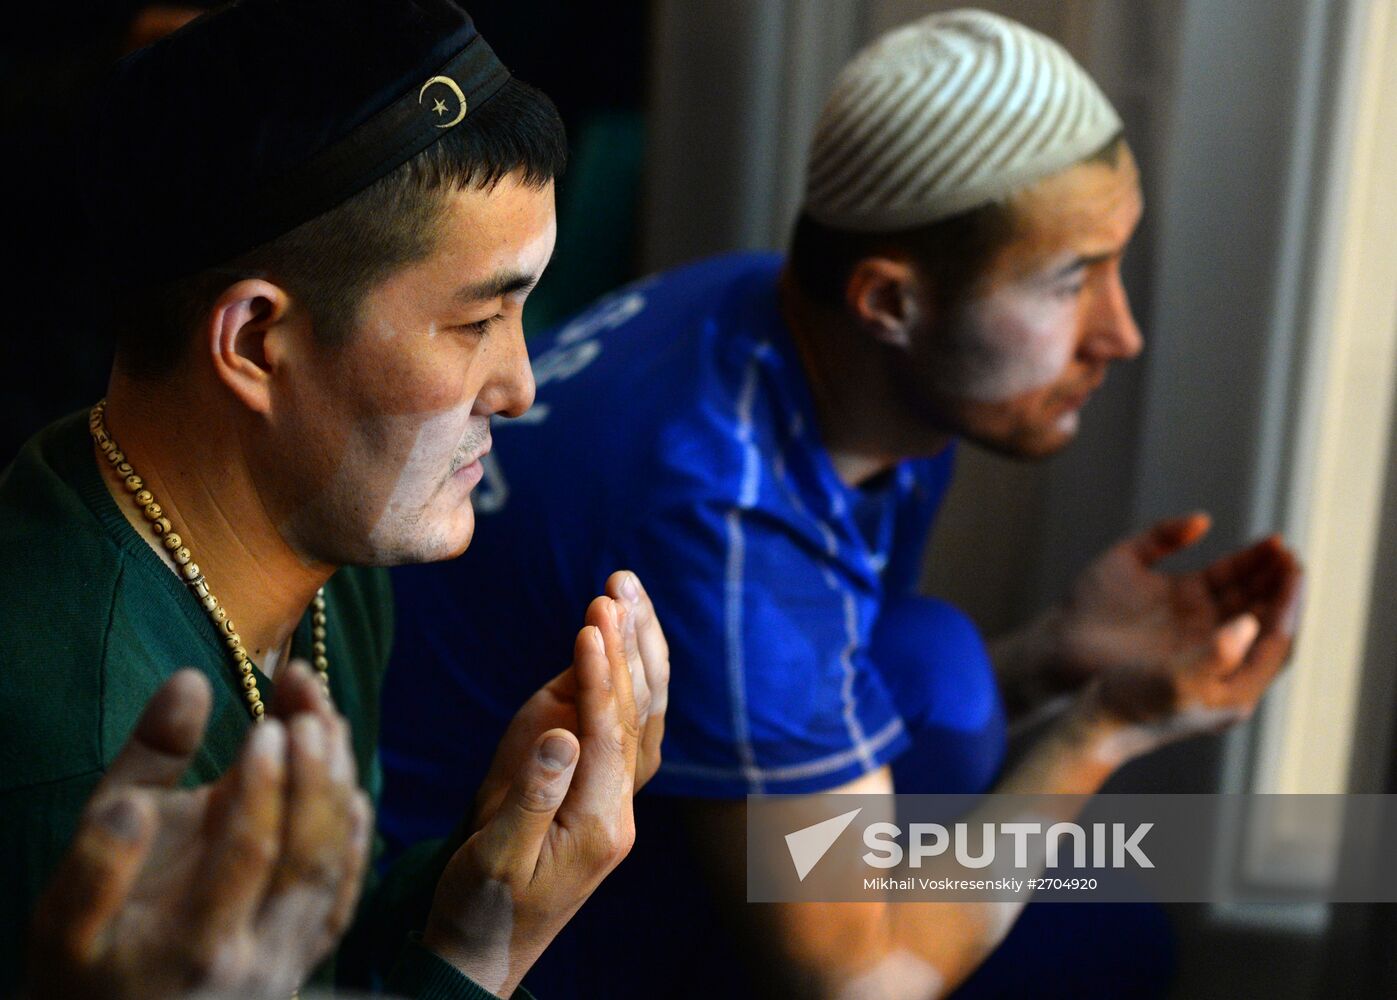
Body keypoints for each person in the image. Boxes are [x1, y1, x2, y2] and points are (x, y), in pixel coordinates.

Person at [379, 9, 1303, 999]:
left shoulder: (783, 329)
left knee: (941, 682)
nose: (1117, 334)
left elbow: (804, 677)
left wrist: (1052, 662)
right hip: (476, 913)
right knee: (1100, 939)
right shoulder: (728, 516)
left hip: (622, 798)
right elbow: (866, 984)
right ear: (889, 304)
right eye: (1068, 281)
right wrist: (1102, 729)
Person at [0, 1, 670, 998]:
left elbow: (324, 957)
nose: (521, 386)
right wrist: (482, 950)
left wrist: (477, 866)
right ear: (256, 343)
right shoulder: (83, 767)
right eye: (477, 318)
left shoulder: (314, 534)